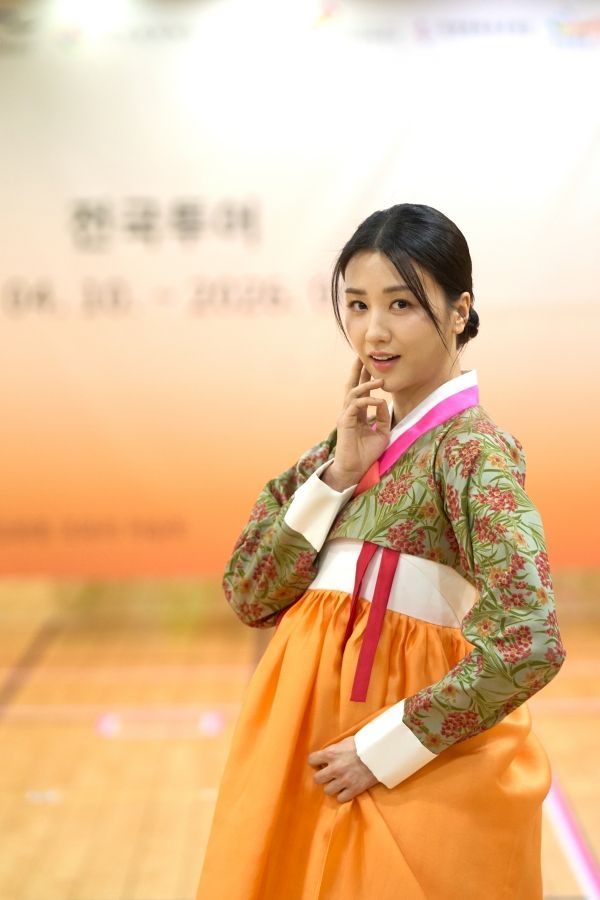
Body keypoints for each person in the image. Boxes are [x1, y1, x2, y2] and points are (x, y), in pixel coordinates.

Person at [195, 203, 566, 899]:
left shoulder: (473, 452)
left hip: (400, 774)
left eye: (401, 304)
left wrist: (384, 749)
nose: (373, 332)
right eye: (358, 304)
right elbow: (249, 592)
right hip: (297, 752)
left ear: (460, 311)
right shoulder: (340, 449)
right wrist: (338, 472)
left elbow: (531, 639)